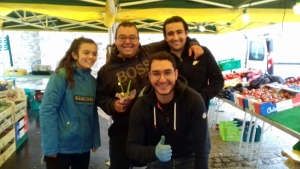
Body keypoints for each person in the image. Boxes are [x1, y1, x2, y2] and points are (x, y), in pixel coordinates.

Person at [96, 21, 204, 169]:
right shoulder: (105, 71)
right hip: (123, 130)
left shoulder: (150, 50)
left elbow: (174, 38)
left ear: (139, 40)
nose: (128, 42)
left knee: (148, 164)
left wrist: (193, 42)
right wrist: (113, 105)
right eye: (122, 37)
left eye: (132, 37)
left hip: (152, 128)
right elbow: (100, 98)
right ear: (115, 40)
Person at [126, 51, 209, 169]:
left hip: (189, 158)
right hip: (157, 159)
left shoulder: (193, 100)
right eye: (156, 74)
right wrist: (153, 152)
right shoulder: (141, 106)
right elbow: (131, 147)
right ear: (149, 76)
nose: (162, 79)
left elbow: (202, 147)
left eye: (167, 72)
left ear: (175, 74)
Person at [40, 37, 101, 169]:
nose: (91, 57)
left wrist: (95, 138)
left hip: (83, 147)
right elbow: (47, 110)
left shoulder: (92, 81)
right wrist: (50, 146)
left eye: (94, 53)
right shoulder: (60, 76)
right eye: (86, 52)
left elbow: (93, 112)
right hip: (61, 147)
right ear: (74, 55)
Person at [163, 16, 224, 111]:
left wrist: (202, 97)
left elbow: (218, 80)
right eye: (170, 34)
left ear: (186, 33)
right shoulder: (162, 59)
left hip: (199, 111)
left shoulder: (203, 53)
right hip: (171, 114)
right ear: (165, 37)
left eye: (179, 32)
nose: (175, 37)